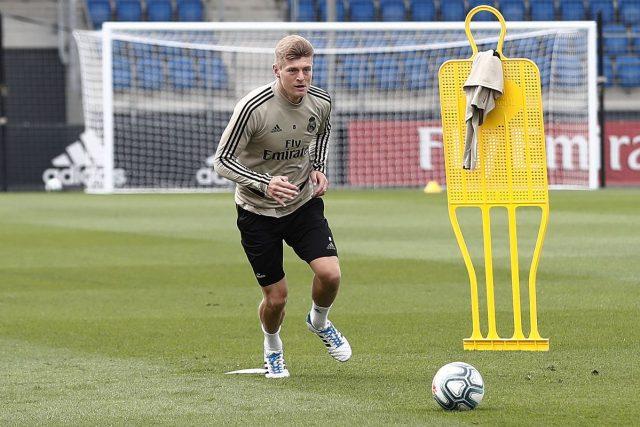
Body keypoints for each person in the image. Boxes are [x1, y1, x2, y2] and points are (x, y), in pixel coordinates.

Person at [213, 35, 351, 378]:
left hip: (302, 204)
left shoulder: (321, 101)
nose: (302, 77)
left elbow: (322, 133)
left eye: (307, 69)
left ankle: (319, 321)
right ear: (277, 70)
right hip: (256, 212)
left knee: (330, 274)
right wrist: (264, 183)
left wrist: (318, 166)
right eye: (293, 70)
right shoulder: (252, 108)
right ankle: (272, 348)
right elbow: (222, 161)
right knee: (276, 298)